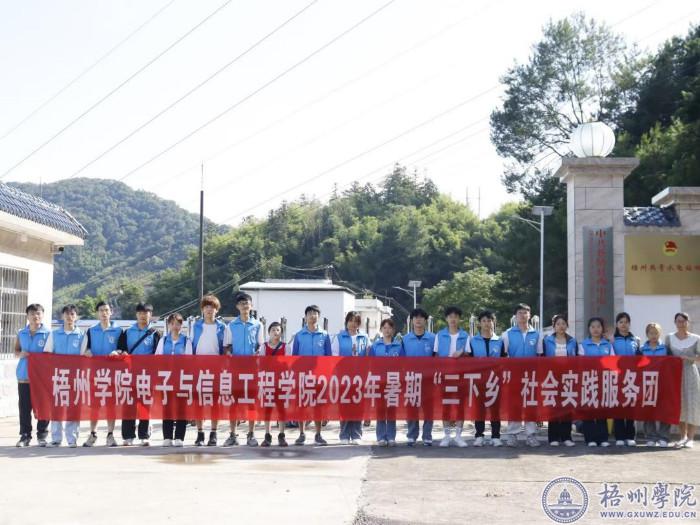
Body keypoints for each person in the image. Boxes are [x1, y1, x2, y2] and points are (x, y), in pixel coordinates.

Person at [80, 301, 123, 447]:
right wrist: (87, 352)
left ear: (111, 312)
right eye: (101, 310)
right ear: (97, 313)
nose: (104, 313)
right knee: (95, 405)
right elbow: (84, 349)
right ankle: (93, 434)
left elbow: (123, 349)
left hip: (112, 375)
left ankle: (110, 435)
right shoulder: (91, 331)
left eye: (106, 310)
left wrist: (116, 352)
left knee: (111, 405)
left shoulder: (118, 331)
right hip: (95, 374)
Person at [224, 292, 264, 447]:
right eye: (241, 303)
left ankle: (251, 434)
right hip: (236, 370)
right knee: (233, 402)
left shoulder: (258, 325)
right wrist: (229, 354)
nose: (244, 306)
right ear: (237, 307)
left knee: (251, 403)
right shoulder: (231, 326)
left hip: (252, 369)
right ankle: (232, 434)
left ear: (251, 306)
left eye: (246, 303)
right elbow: (227, 346)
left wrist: (257, 353)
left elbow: (261, 345)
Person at [118, 302, 160, 446]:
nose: (143, 316)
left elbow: (158, 354)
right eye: (140, 313)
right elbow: (121, 349)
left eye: (146, 313)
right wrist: (122, 353)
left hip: (147, 374)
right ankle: (128, 436)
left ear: (150, 315)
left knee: (145, 404)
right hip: (129, 373)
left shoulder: (155, 333)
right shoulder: (127, 332)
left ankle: (144, 435)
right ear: (136, 315)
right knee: (128, 404)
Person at [502, 304, 543, 448]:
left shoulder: (537, 334)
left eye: (525, 312)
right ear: (515, 316)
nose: (523, 315)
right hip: (514, 375)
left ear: (529, 315)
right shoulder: (507, 334)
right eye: (520, 313)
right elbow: (503, 355)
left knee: (531, 405)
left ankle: (531, 435)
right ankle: (512, 434)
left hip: (532, 376)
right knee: (515, 405)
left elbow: (540, 355)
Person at [44, 304, 84, 447]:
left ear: (76, 317)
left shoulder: (82, 335)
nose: (69, 317)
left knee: (73, 407)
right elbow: (47, 354)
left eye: (72, 314)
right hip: (58, 377)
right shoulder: (54, 334)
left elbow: (84, 356)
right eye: (67, 314)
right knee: (57, 407)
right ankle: (56, 438)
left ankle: (72, 439)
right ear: (62, 316)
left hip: (75, 377)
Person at [291, 304, 332, 445]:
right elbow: (294, 357)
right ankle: (301, 433)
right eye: (310, 313)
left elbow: (328, 357)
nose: (312, 316)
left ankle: (318, 434)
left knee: (318, 406)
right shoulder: (299, 335)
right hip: (303, 376)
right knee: (302, 405)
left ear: (319, 317)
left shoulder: (325, 335)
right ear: (305, 317)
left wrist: (327, 375)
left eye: (315, 313)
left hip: (319, 377)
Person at [191, 294, 226, 447]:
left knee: (214, 402)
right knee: (199, 402)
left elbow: (226, 347)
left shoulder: (222, 327)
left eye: (212, 307)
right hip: (198, 367)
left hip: (216, 368)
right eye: (206, 307)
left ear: (216, 310)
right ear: (202, 309)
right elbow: (191, 346)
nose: (209, 310)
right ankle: (200, 433)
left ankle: (213, 433)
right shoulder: (196, 326)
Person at [467, 310, 505, 447]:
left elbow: (504, 360)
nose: (487, 323)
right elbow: (469, 361)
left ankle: (496, 436)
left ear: (493, 323)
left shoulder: (500, 341)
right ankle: (479, 435)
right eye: (484, 321)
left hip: (495, 380)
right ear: (479, 323)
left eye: (489, 321)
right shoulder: (473, 341)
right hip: (479, 380)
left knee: (495, 409)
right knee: (479, 408)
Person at [14, 304, 50, 447]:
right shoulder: (21, 333)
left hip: (42, 378)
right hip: (24, 376)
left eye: (38, 313)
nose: (36, 316)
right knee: (24, 408)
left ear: (42, 315)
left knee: (43, 406)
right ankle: (25, 436)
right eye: (32, 314)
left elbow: (52, 354)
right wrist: (20, 354)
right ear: (27, 316)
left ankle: (42, 435)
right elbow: (16, 351)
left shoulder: (49, 334)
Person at [433, 306, 469, 448]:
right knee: (446, 405)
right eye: (450, 316)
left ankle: (458, 435)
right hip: (445, 375)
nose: (453, 319)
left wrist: (462, 352)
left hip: (461, 375)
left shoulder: (465, 335)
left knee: (460, 405)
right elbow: (436, 355)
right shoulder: (440, 335)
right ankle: (447, 435)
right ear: (446, 319)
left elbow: (469, 354)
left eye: (456, 316)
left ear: (459, 319)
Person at [155, 312, 192, 447]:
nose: (175, 326)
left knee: (181, 408)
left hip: (181, 379)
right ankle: (167, 436)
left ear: (181, 325)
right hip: (166, 380)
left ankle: (179, 437)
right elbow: (157, 358)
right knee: (167, 408)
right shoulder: (163, 340)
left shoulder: (186, 341)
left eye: (178, 324)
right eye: (172, 324)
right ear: (168, 325)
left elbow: (189, 361)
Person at [332, 311, 369, 445]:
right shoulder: (339, 337)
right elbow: (334, 356)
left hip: (360, 377)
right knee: (345, 406)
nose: (353, 324)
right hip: (344, 377)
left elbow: (368, 356)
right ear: (346, 322)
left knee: (358, 406)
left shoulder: (364, 337)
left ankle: (356, 434)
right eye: (350, 321)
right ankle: (344, 434)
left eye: (356, 321)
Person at [401, 308, 436, 446]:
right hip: (411, 378)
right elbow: (401, 360)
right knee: (412, 407)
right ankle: (411, 435)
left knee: (428, 408)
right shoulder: (405, 339)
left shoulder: (433, 338)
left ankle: (427, 436)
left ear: (425, 321)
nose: (418, 320)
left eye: (421, 317)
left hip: (428, 379)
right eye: (415, 317)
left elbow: (437, 358)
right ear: (412, 320)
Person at [665, 312, 700, 449]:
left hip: (690, 372)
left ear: (688, 322)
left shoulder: (696, 338)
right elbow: (665, 356)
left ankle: (691, 438)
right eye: (679, 321)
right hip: (675, 375)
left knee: (692, 404)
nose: (681, 324)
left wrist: (688, 358)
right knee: (680, 405)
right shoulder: (669, 337)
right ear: (675, 322)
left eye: (684, 321)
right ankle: (682, 437)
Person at [542, 314, 577, 447]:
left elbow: (577, 359)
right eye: (558, 324)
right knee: (553, 406)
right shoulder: (547, 340)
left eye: (563, 323)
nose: (561, 326)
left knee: (567, 405)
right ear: (554, 326)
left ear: (567, 325)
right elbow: (542, 358)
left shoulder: (572, 341)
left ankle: (566, 436)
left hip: (568, 377)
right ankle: (553, 437)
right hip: (552, 377)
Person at [579, 317, 613, 447]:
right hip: (588, 381)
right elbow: (580, 364)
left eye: (598, 326)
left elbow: (613, 363)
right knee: (589, 410)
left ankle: (603, 438)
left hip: (604, 381)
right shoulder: (583, 345)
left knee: (601, 409)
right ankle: (590, 438)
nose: (596, 329)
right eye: (593, 326)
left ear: (602, 328)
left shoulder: (608, 345)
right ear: (589, 329)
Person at [368, 318, 403, 446]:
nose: (387, 330)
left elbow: (403, 364)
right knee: (381, 409)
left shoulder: (398, 346)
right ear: (381, 330)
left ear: (393, 330)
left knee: (392, 409)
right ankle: (381, 437)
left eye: (390, 328)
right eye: (385, 328)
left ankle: (391, 436)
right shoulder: (375, 346)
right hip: (380, 382)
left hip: (393, 381)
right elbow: (370, 363)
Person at [638, 322, 671, 447]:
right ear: (647, 334)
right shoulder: (641, 349)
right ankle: (651, 437)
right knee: (648, 410)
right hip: (647, 383)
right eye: (651, 333)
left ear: (660, 334)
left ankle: (664, 437)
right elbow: (636, 365)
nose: (654, 336)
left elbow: (671, 364)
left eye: (656, 333)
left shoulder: (666, 348)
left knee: (664, 409)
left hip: (663, 382)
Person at [611, 312, 640, 447]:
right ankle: (619, 436)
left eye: (626, 322)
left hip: (632, 378)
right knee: (618, 407)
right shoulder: (612, 340)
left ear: (629, 324)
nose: (624, 325)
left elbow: (640, 358)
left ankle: (630, 436)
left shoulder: (636, 340)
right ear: (617, 324)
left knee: (630, 407)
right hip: (617, 378)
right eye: (621, 322)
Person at [261, 321, 288, 447]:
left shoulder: (285, 347)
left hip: (281, 382)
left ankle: (282, 435)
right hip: (268, 382)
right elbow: (261, 364)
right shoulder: (264, 347)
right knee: (268, 409)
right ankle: (267, 435)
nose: (275, 332)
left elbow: (289, 364)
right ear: (269, 333)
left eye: (278, 330)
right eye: (273, 330)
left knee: (281, 409)